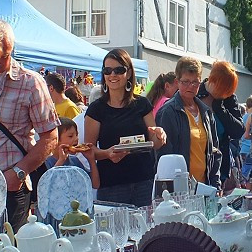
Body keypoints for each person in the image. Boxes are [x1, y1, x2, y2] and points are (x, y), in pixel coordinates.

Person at [0, 20, 60, 230]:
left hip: (10, 185)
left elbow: (51, 137)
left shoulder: (30, 82)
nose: (2, 61)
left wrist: (19, 172)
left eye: (7, 54)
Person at [83, 49, 166, 206]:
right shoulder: (96, 109)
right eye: (107, 71)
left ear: (128, 74)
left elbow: (155, 141)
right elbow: (89, 149)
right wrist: (107, 154)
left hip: (143, 181)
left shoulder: (142, 104)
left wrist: (160, 134)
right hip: (112, 184)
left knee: (145, 228)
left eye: (119, 70)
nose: (112, 75)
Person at [156, 57, 222, 189]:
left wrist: (216, 183)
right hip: (179, 189)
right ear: (177, 82)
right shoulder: (168, 112)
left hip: (205, 187)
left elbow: (215, 151)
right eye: (185, 82)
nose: (190, 87)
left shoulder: (206, 112)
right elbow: (164, 155)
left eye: (195, 82)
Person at [197, 61, 243, 184]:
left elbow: (238, 131)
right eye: (222, 89)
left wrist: (220, 108)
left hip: (220, 166)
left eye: (228, 91)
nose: (224, 94)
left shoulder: (229, 99)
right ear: (212, 80)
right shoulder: (195, 94)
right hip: (197, 161)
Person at [44, 117, 100, 190]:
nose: (76, 139)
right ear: (56, 139)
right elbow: (46, 186)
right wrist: (61, 161)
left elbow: (95, 184)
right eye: (70, 136)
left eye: (77, 135)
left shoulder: (75, 161)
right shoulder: (47, 162)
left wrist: (91, 159)